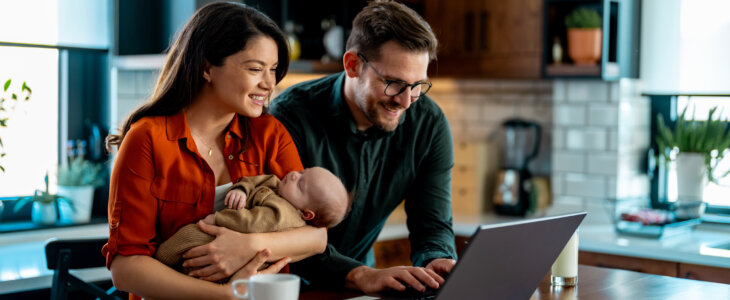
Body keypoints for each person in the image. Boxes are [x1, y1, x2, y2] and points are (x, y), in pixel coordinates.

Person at [102, 3, 326, 299]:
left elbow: (316, 236)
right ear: (207, 67)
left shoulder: (270, 134)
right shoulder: (147, 139)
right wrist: (227, 295)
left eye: (272, 70)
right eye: (255, 69)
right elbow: (125, 270)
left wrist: (245, 247)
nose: (269, 83)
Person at [269, 0, 457, 294]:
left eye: (417, 85)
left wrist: (437, 259)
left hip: (363, 290)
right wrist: (358, 274)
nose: (406, 102)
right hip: (289, 289)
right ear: (352, 65)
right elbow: (275, 229)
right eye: (394, 83)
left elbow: (432, 223)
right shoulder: (290, 117)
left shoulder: (428, 124)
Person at [154, 167, 351, 281]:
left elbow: (250, 224)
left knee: (189, 235)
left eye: (300, 185)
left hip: (220, 238)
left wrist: (219, 219)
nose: (293, 175)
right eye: (302, 172)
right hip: (223, 244)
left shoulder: (283, 215)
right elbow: (253, 181)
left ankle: (159, 261)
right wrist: (241, 189)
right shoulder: (277, 184)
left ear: (306, 214)